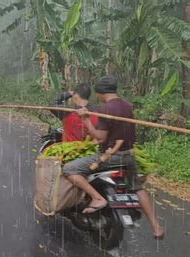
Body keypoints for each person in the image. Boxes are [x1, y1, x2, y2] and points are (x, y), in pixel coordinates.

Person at [62, 76, 165, 240]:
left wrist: (86, 120)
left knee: (69, 169)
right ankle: (156, 226)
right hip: (130, 156)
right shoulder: (127, 105)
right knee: (137, 187)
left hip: (111, 156)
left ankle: (97, 198)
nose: (97, 97)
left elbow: (100, 138)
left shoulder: (105, 109)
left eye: (98, 94)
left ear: (101, 93)